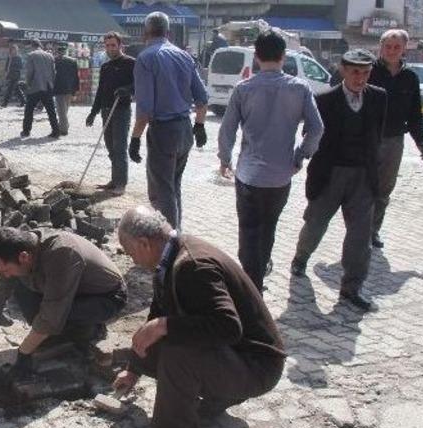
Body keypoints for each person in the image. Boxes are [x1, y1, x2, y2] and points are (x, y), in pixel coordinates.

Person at [113, 206, 285, 428]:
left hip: (257, 367)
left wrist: (163, 326)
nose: (132, 260)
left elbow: (228, 327)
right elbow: (158, 314)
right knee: (151, 336)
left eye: (130, 253)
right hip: (234, 356)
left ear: (144, 243)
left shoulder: (192, 266)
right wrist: (134, 367)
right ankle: (218, 395)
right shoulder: (169, 260)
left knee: (177, 351)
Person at [217, 31, 324, 293]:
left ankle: (250, 280)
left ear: (256, 57)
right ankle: (258, 272)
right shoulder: (299, 88)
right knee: (268, 228)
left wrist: (225, 159)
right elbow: (317, 128)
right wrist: (300, 156)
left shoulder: (244, 88)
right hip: (280, 175)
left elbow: (227, 129)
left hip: (249, 174)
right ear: (283, 56)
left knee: (248, 228)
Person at [0, 227, 127, 383]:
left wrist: (23, 355)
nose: (5, 275)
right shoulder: (16, 251)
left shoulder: (62, 253)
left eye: (5, 269)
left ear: (24, 257)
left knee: (57, 318)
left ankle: (90, 329)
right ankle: (56, 334)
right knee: (19, 285)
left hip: (104, 297)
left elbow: (50, 315)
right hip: (67, 291)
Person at [290, 50, 388, 312]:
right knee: (315, 223)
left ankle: (352, 287)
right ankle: (301, 257)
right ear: (343, 70)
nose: (360, 78)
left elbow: (377, 135)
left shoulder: (379, 97)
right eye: (355, 72)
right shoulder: (324, 100)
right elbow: (310, 132)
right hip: (330, 173)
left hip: (362, 177)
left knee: (360, 236)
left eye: (365, 73)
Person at [130, 12, 208, 230]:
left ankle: (167, 247)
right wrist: (200, 126)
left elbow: (144, 110)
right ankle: (176, 235)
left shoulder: (146, 58)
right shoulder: (184, 56)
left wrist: (134, 138)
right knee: (173, 187)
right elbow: (202, 99)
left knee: (161, 192)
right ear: (169, 33)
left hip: (163, 131)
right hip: (185, 129)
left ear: (146, 33)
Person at [368, 29, 423, 249]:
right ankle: (358, 229)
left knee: (384, 190)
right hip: (367, 139)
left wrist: (422, 144)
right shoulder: (368, 71)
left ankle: (372, 231)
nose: (392, 51)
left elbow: (415, 114)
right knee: (362, 186)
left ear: (404, 49)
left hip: (394, 141)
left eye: (397, 47)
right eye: (388, 46)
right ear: (381, 47)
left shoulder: (410, 77)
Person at [86, 31, 135, 197]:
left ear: (120, 45)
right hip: (106, 110)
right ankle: (114, 180)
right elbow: (100, 91)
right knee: (110, 146)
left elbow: (139, 85)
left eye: (113, 45)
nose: (110, 48)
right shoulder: (105, 67)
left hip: (121, 110)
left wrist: (127, 90)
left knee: (120, 147)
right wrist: (93, 112)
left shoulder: (130, 63)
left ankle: (121, 183)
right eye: (107, 45)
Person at [22, 40, 61, 138]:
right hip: (48, 86)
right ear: (40, 45)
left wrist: (28, 84)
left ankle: (26, 131)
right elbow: (53, 72)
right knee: (51, 110)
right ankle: (56, 131)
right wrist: (52, 85)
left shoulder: (31, 55)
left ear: (32, 46)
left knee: (29, 110)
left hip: (35, 86)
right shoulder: (49, 56)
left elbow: (29, 72)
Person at [52, 44, 80, 136]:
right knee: (65, 109)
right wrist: (75, 90)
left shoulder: (55, 60)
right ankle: (64, 125)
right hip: (69, 88)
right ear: (65, 51)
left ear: (58, 51)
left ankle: (63, 129)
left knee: (61, 110)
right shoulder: (72, 61)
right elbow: (76, 76)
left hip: (59, 87)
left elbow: (52, 75)